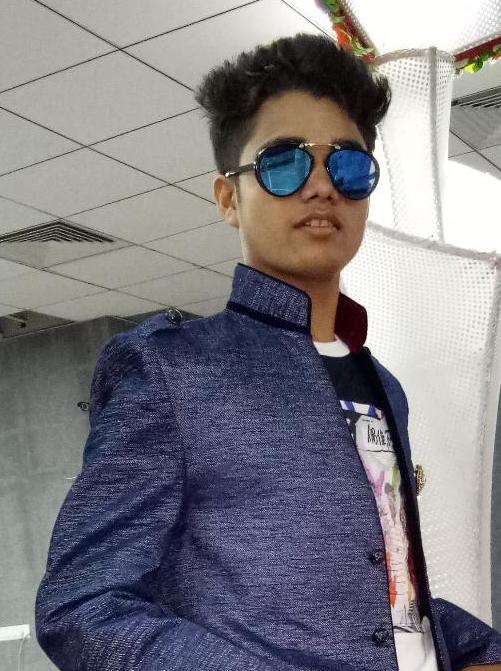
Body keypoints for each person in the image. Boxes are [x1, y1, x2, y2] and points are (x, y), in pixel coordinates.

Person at [35, 32, 501, 671]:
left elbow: (388, 595)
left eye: (348, 165)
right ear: (229, 198)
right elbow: (83, 605)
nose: (322, 186)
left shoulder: (383, 385)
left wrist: (476, 647)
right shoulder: (172, 370)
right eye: (284, 164)